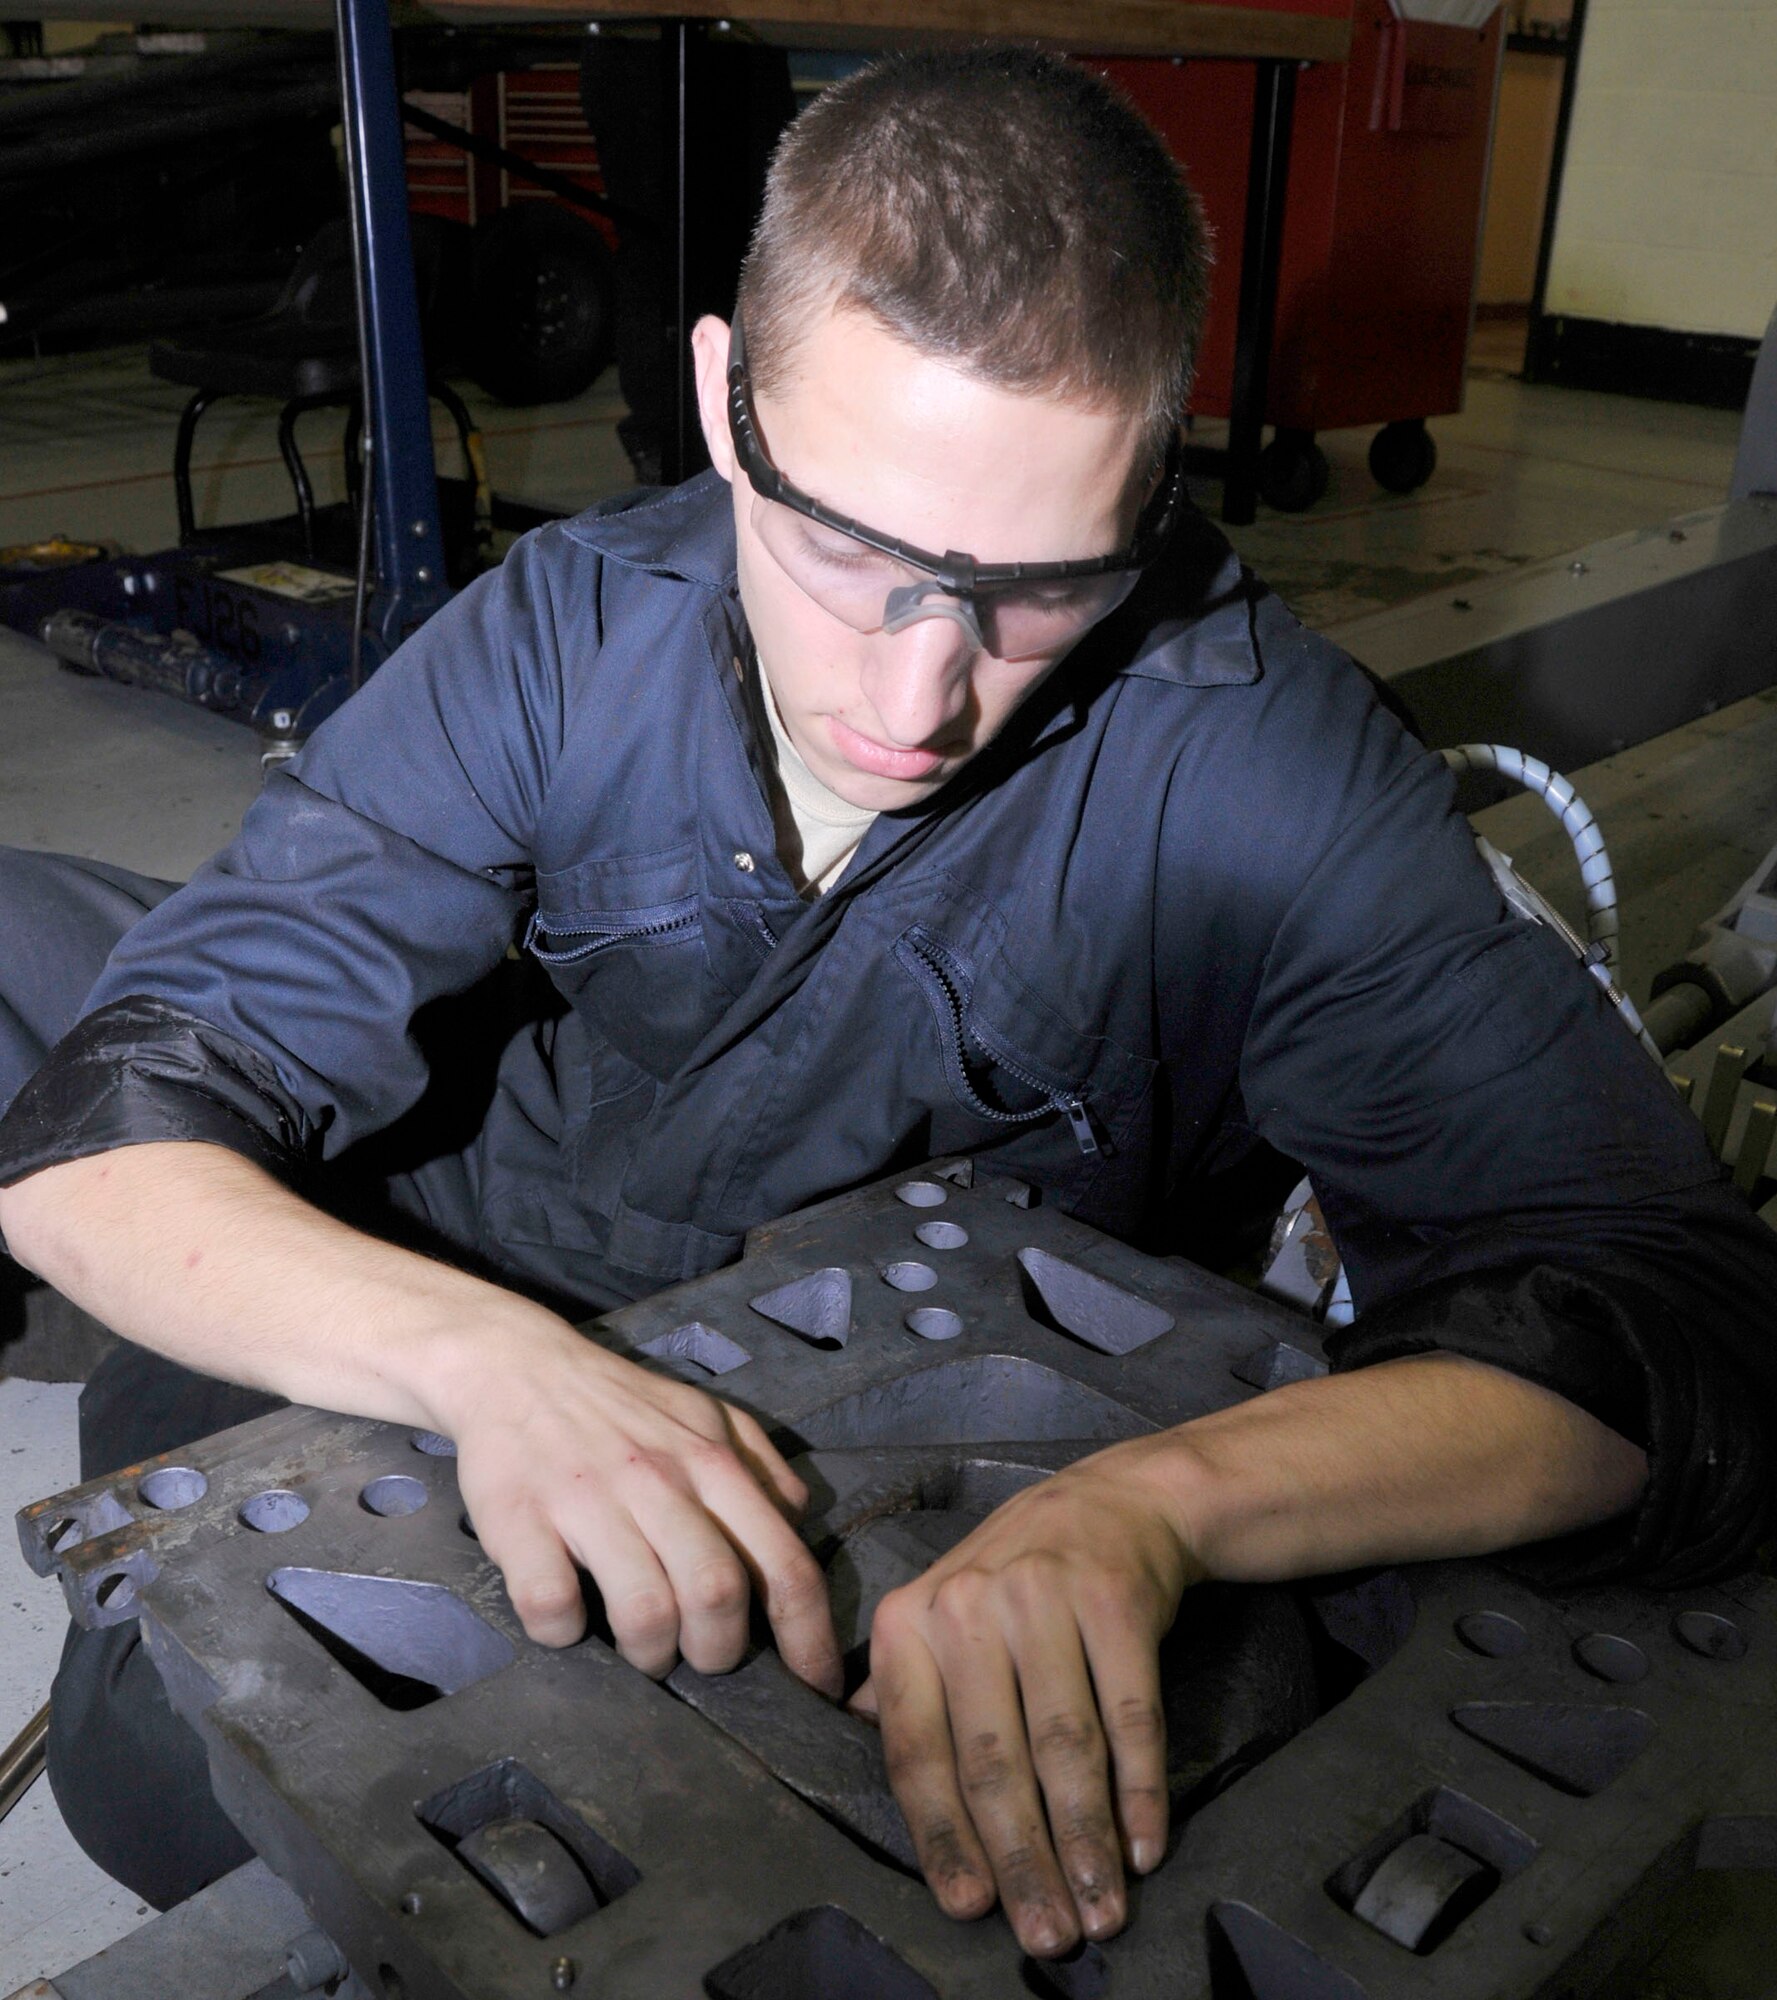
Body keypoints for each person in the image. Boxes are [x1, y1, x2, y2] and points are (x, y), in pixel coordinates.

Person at [0, 46, 1772, 1964]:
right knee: (160, 1745)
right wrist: (487, 1366)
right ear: (713, 396)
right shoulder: (566, 628)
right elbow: (112, 1133)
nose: (919, 695)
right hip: (471, 1275)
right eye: (841, 550)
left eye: (1036, 590)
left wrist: (1157, 1512)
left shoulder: (1262, 774)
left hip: (905, 1438)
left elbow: (1666, 1329)